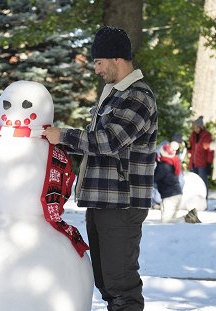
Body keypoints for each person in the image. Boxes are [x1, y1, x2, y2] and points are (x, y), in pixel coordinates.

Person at [43, 26, 157, 310]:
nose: (96, 69)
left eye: (98, 62)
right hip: (103, 201)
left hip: (122, 203)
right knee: (106, 282)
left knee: (121, 284)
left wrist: (65, 136)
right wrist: (52, 141)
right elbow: (94, 144)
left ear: (116, 59)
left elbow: (111, 141)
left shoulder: (137, 96)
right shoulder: (114, 94)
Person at [154, 142, 201, 223]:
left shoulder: (163, 166)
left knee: (165, 221)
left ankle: (188, 218)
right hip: (176, 194)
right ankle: (188, 217)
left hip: (170, 196)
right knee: (171, 220)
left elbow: (154, 178)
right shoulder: (170, 163)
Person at [187, 116, 213, 191]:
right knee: (193, 182)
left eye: (197, 127)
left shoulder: (207, 135)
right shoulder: (193, 136)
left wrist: (209, 163)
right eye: (194, 128)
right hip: (193, 163)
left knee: (203, 182)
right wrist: (188, 148)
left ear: (201, 127)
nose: (196, 129)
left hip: (202, 164)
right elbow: (191, 150)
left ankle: (204, 198)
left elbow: (210, 151)